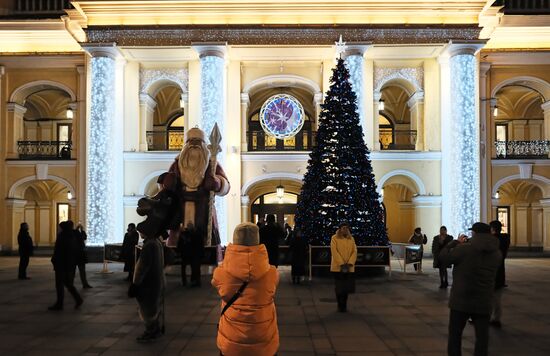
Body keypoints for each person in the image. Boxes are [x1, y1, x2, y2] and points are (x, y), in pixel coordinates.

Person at [212, 222, 279, 356]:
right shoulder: (272, 273)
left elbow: (216, 282)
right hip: (263, 339)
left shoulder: (221, 273)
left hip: (232, 339)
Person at [439, 222, 502, 356]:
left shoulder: (464, 249)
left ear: (474, 233)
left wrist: (454, 243)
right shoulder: (497, 253)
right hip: (484, 301)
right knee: (482, 338)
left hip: (461, 300)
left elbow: (443, 258)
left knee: (455, 336)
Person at [166, 127, 230, 248]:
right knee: (178, 242)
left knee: (203, 241)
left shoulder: (212, 165)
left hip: (204, 209)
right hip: (181, 209)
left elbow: (226, 186)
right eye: (191, 141)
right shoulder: (177, 164)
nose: (194, 145)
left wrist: (218, 183)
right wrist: (167, 183)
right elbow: (165, 189)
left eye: (198, 141)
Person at [128, 231, 166, 342]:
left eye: (141, 231)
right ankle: (155, 330)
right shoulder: (157, 242)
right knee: (153, 307)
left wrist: (136, 283)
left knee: (147, 309)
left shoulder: (150, 245)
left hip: (148, 283)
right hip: (156, 281)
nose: (140, 233)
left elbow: (143, 266)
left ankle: (151, 331)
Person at [49, 220, 83, 311]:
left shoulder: (62, 236)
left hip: (62, 264)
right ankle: (77, 299)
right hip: (69, 264)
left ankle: (60, 304)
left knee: (60, 284)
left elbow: (59, 251)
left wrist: (55, 260)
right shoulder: (71, 236)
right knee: (68, 283)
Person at [330, 223, 357, 313]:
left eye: (346, 228)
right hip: (338, 267)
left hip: (348, 267)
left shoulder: (351, 238)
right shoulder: (334, 238)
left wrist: (350, 263)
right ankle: (339, 304)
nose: (345, 229)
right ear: (340, 229)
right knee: (339, 287)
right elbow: (334, 251)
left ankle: (344, 305)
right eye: (343, 228)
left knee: (346, 287)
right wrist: (341, 263)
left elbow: (354, 251)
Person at [489, 220, 510, 328]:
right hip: (500, 271)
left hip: (491, 273)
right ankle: (496, 318)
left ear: (492, 229)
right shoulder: (504, 239)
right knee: (497, 298)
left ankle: (488, 318)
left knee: (489, 297)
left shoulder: (493, 241)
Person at [177, 222, 204, 287]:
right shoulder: (195, 234)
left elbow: (180, 245)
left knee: (192, 267)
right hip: (193, 254)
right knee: (195, 267)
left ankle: (190, 281)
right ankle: (195, 281)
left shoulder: (186, 234)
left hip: (188, 254)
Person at [75, 222, 92, 288]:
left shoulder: (73, 233)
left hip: (77, 254)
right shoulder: (76, 234)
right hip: (79, 254)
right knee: (82, 270)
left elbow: (84, 237)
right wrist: (82, 230)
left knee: (79, 270)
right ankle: (84, 283)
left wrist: (79, 229)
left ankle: (84, 283)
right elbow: (84, 237)